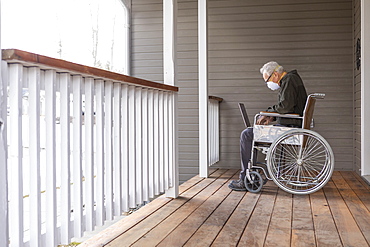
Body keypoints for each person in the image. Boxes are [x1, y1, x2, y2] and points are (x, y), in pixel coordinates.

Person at [228, 61, 308, 191]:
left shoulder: (289, 80)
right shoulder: (291, 80)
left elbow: (285, 107)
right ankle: (249, 176)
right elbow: (287, 108)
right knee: (252, 132)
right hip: (291, 124)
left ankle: (244, 179)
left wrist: (268, 113)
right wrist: (270, 116)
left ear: (275, 75)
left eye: (268, 80)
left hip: (290, 128)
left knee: (247, 134)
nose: (268, 84)